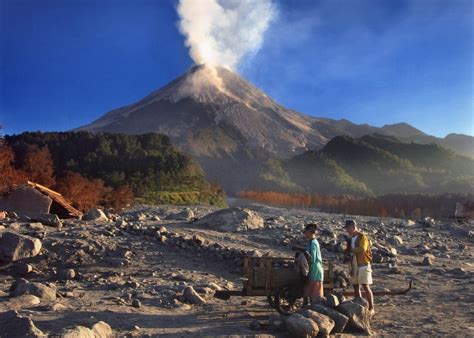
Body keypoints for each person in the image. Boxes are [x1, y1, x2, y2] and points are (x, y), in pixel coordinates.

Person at [344, 219, 375, 314]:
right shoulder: (350, 239)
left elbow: (362, 248)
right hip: (354, 264)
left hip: (363, 264)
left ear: (353, 227)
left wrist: (352, 251)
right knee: (356, 286)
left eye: (348, 228)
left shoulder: (362, 237)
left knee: (365, 285)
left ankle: (371, 307)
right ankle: (359, 305)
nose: (347, 230)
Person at [302, 223, 324, 304]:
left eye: (306, 232)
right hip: (313, 271)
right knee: (311, 294)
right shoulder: (311, 242)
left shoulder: (313, 243)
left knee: (314, 296)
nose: (305, 234)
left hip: (315, 272)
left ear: (310, 232)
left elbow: (312, 259)